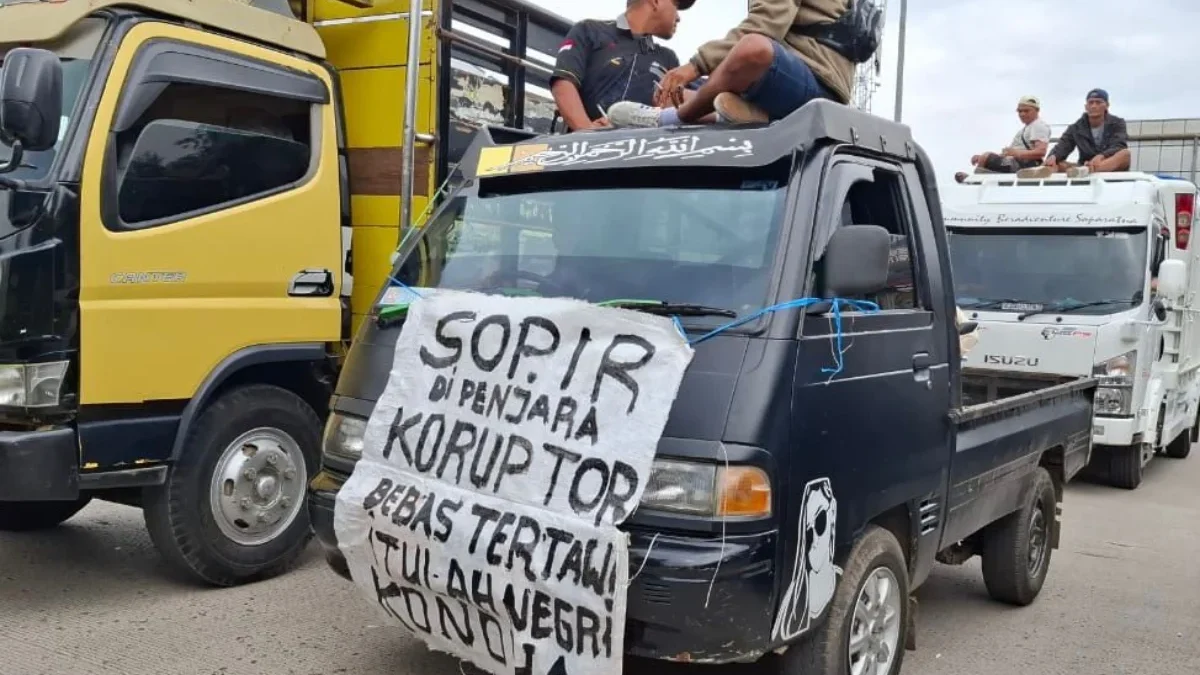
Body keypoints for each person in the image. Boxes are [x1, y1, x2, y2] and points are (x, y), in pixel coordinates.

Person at [603, 0, 854, 129]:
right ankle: (747, 113)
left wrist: (693, 66)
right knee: (670, 95)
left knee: (753, 48)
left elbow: (765, 26)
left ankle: (672, 120)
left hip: (816, 81)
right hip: (782, 79)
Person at [549, 0, 696, 132]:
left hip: (647, 154)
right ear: (655, 1)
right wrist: (586, 130)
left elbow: (678, 109)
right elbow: (564, 82)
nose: (678, 17)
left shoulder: (668, 58)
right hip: (584, 153)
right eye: (676, 6)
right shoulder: (589, 30)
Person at [1017, 88, 1131, 178]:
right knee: (1058, 163)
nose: (1094, 106)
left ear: (1107, 105)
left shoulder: (1117, 123)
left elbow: (1119, 144)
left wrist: (1102, 156)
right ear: (1086, 106)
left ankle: (1087, 170)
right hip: (1083, 165)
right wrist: (1053, 156)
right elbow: (1063, 145)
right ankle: (1041, 171)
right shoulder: (1076, 127)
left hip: (1109, 165)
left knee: (1125, 154)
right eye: (1091, 103)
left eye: (1098, 102)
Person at [964, 96, 1051, 177]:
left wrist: (1016, 153)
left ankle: (975, 180)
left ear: (1037, 110)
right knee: (984, 157)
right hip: (1016, 161)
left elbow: (1040, 152)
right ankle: (981, 176)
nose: (1022, 114)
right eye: (1020, 111)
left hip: (1025, 165)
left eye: (1026, 111)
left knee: (986, 156)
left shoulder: (1038, 125)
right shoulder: (1027, 128)